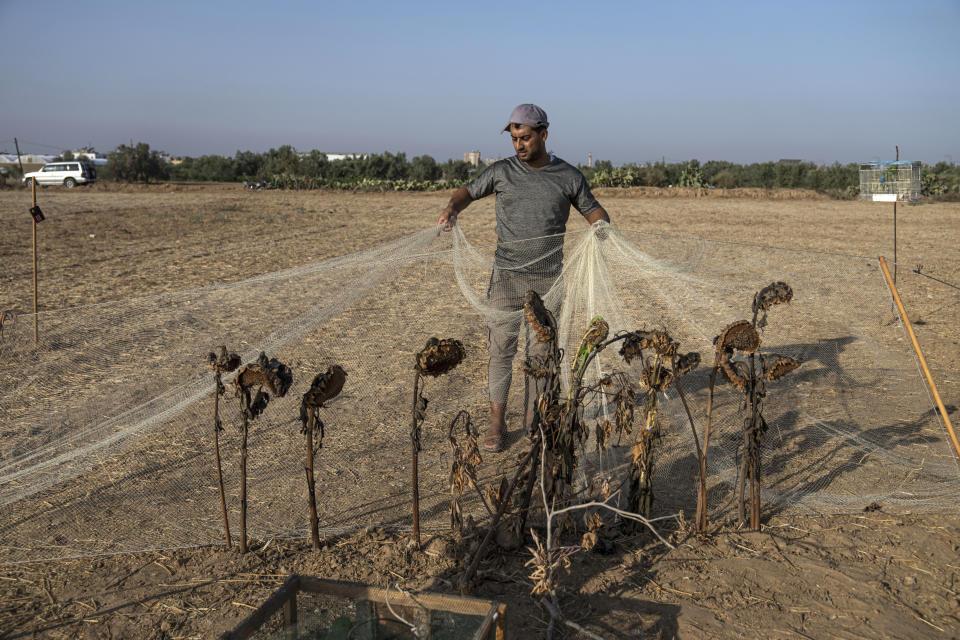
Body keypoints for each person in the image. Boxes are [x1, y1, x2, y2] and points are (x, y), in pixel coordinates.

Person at [437, 103, 611, 452]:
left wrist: (602, 227)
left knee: (541, 355)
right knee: (501, 349)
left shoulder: (569, 176)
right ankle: (497, 425)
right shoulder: (501, 172)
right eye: (515, 138)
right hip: (506, 277)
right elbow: (466, 193)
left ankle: (535, 424)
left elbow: (594, 211)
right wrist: (452, 209)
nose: (519, 145)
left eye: (526, 138)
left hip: (548, 281)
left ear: (544, 134)